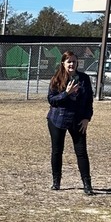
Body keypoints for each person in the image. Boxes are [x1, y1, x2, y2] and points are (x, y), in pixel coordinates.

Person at [47, 50, 94, 195]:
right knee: (57, 151)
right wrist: (66, 93)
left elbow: (89, 102)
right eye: (69, 62)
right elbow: (52, 100)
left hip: (78, 120)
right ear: (63, 63)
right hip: (58, 119)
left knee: (81, 152)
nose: (72, 64)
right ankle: (56, 182)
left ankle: (87, 184)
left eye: (74, 61)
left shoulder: (84, 79)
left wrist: (87, 118)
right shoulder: (56, 79)